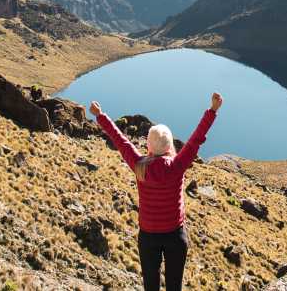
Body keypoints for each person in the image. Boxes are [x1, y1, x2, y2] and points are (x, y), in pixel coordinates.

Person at [89, 92, 222, 291]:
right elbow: (196, 140)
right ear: (170, 145)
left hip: (148, 236)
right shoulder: (177, 165)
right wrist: (212, 110)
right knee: (174, 287)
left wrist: (100, 116)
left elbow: (120, 140)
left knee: (150, 286)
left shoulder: (139, 165)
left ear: (148, 145)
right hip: (175, 235)